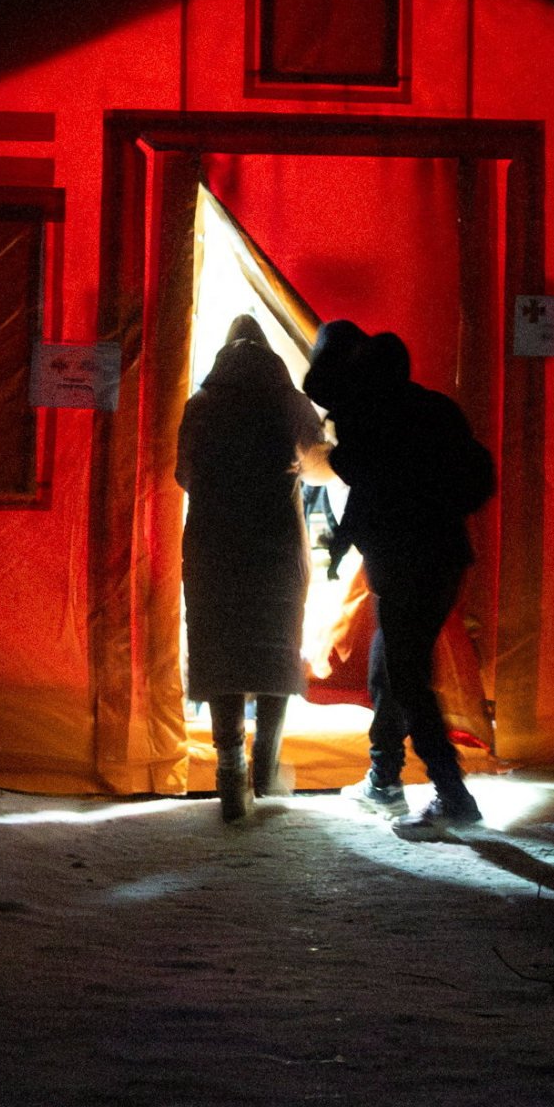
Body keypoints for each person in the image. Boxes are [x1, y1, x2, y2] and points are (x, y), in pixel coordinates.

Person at [304, 318, 493, 826]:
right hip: (446, 559)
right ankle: (384, 776)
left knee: (407, 678)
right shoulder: (435, 409)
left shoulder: (371, 417)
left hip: (403, 564)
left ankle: (452, 795)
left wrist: (344, 540)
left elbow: (363, 483)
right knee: (391, 663)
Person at [176, 315, 326, 823]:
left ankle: (230, 773)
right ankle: (266, 769)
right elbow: (318, 461)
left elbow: (184, 474)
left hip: (213, 543)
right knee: (273, 649)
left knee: (221, 649)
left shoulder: (200, 405)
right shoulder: (287, 401)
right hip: (276, 544)